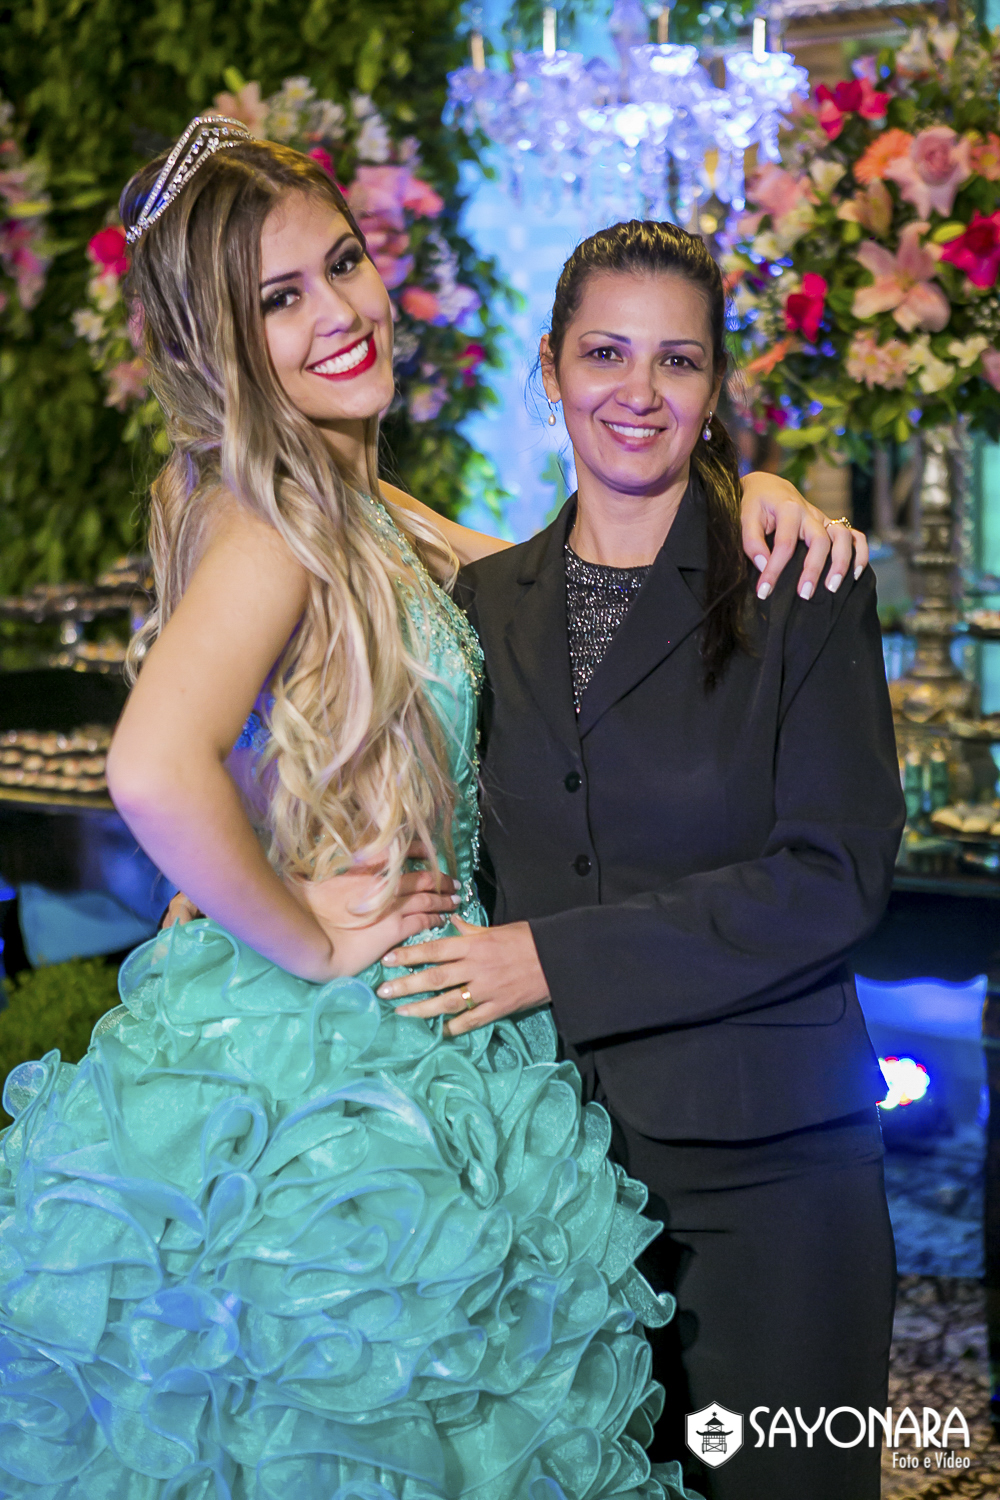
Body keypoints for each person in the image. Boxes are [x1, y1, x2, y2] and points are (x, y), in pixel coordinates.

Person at [0, 118, 860, 1498]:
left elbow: (581, 562)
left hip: (438, 1032)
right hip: (335, 1062)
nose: (339, 312)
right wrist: (303, 931)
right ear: (220, 340)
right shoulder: (269, 517)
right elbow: (153, 768)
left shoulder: (361, 506)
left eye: (342, 262)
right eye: (278, 299)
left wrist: (743, 485)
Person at [376, 221, 905, 1500]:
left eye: (678, 360)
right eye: (605, 353)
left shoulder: (798, 582)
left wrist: (551, 960)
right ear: (549, 368)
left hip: (768, 1171)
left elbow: (831, 875)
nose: (639, 391)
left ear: (716, 386)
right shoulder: (485, 603)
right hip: (551, 1174)